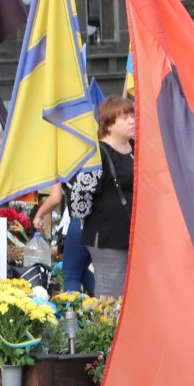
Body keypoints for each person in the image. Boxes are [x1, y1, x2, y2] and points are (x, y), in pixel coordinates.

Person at [70, 95, 134, 298]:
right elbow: (80, 192)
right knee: (111, 297)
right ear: (109, 123)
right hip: (108, 237)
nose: (132, 121)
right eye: (125, 117)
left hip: (132, 235)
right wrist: (84, 218)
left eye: (133, 116)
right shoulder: (97, 154)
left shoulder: (135, 148)